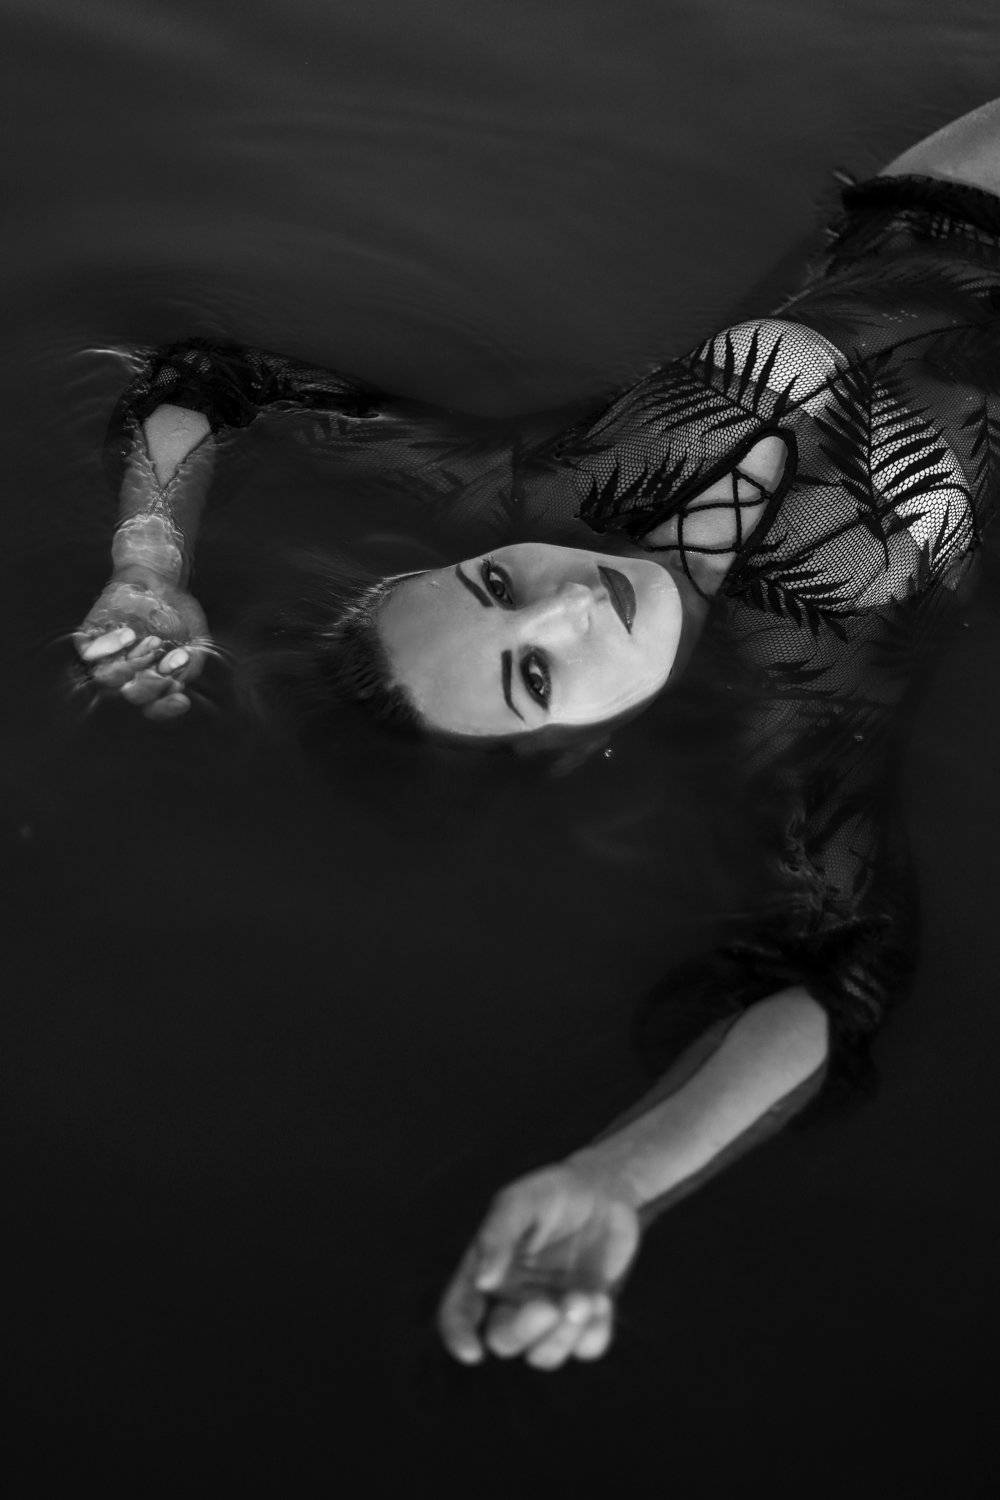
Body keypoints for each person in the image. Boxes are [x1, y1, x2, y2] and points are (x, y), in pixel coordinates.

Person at [74, 99, 1000, 1370]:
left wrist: (147, 563)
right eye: (531, 675)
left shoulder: (528, 485)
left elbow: (205, 381)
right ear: (565, 746)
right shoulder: (802, 720)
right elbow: (835, 981)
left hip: (950, 208)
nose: (564, 603)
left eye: (495, 585)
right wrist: (621, 1179)